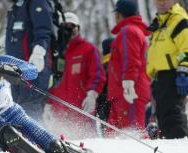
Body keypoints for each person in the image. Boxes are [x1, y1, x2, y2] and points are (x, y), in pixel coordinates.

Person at [48, 12, 106, 138]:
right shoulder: (56, 53)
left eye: (72, 26)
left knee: (89, 148)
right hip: (59, 115)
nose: (69, 30)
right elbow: (52, 80)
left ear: (78, 28)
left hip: (82, 112)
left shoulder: (89, 49)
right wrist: (48, 102)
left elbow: (98, 75)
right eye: (66, 26)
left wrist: (92, 95)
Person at [106, 0, 151, 136]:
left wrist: (129, 82)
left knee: (133, 133)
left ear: (119, 14)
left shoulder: (128, 31)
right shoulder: (133, 30)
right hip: (124, 90)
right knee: (117, 133)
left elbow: (130, 58)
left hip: (129, 91)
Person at [5, 0, 54, 121]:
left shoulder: (37, 2)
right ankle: (29, 137)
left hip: (33, 68)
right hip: (16, 71)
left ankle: (36, 138)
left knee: (30, 107)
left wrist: (39, 51)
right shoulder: (17, 7)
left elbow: (44, 32)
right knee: (19, 108)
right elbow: (16, 35)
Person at [146, 0, 188, 139]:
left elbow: (186, 47)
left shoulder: (178, 20)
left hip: (174, 74)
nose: (161, 3)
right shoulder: (159, 22)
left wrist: (183, 70)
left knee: (172, 115)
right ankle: (170, 150)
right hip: (160, 77)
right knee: (162, 116)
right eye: (158, 0)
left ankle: (181, 147)